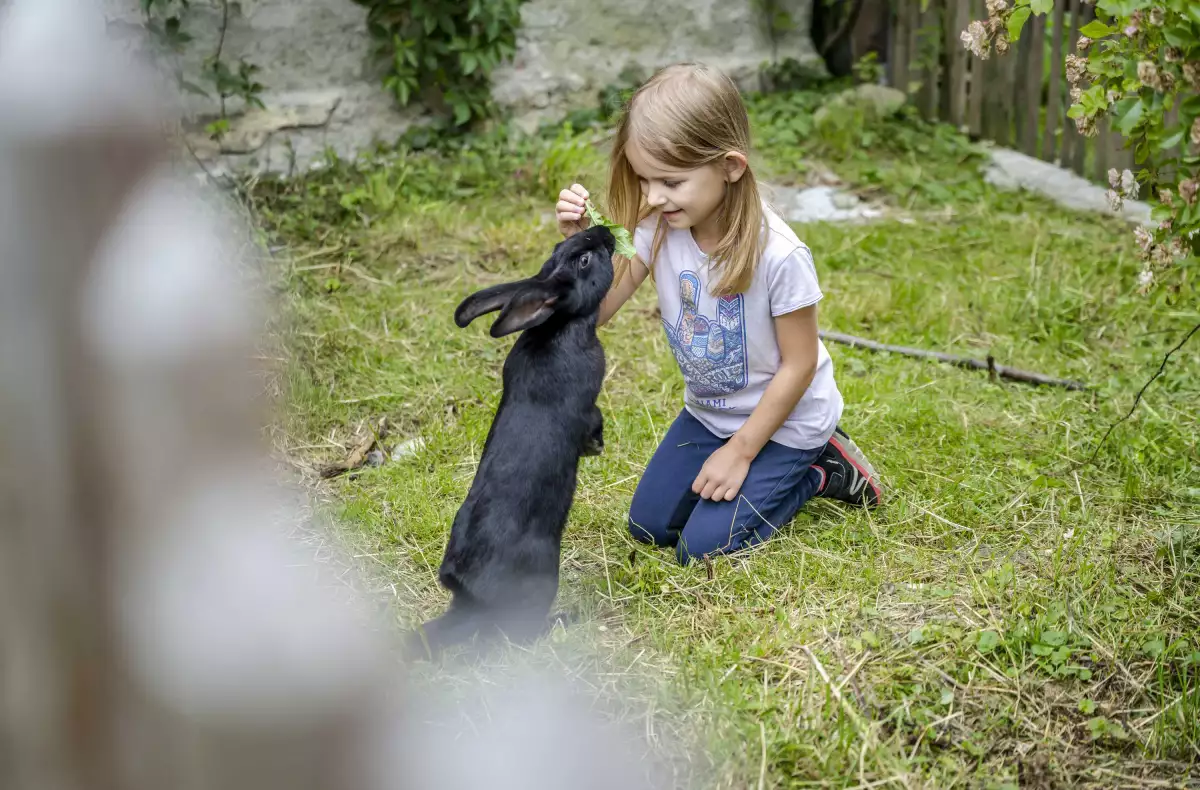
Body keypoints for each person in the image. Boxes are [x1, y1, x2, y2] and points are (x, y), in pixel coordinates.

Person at [554, 62, 882, 566]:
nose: (653, 197)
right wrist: (581, 248)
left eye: (670, 181)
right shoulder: (659, 228)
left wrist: (742, 452)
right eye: (644, 180)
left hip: (786, 421)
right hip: (710, 415)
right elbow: (597, 311)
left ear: (730, 166)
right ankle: (763, 464)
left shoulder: (780, 256)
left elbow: (799, 365)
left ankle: (822, 468)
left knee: (701, 550)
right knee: (649, 527)